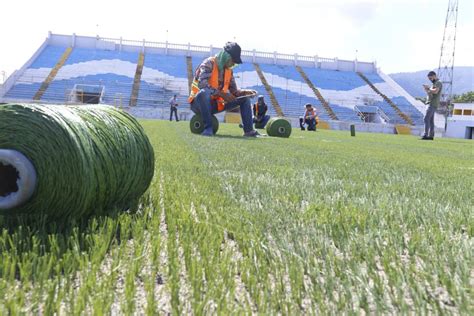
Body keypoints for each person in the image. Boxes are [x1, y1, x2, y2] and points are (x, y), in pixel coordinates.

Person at [188, 42, 259, 137]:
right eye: (233, 60)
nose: (233, 64)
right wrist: (222, 94)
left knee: (244, 98)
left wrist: (245, 92)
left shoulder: (229, 71)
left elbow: (234, 91)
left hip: (216, 104)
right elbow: (202, 84)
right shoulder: (208, 63)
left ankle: (249, 131)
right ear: (226, 56)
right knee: (204, 92)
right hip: (198, 104)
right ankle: (208, 129)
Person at [421, 71, 442, 140]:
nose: (430, 79)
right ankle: (431, 136)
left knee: (426, 119)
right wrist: (427, 89)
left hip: (432, 103)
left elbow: (436, 91)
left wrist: (429, 88)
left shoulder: (438, 82)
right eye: (429, 78)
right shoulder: (434, 83)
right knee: (430, 121)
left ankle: (425, 135)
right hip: (431, 103)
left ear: (434, 76)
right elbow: (431, 93)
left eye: (430, 78)